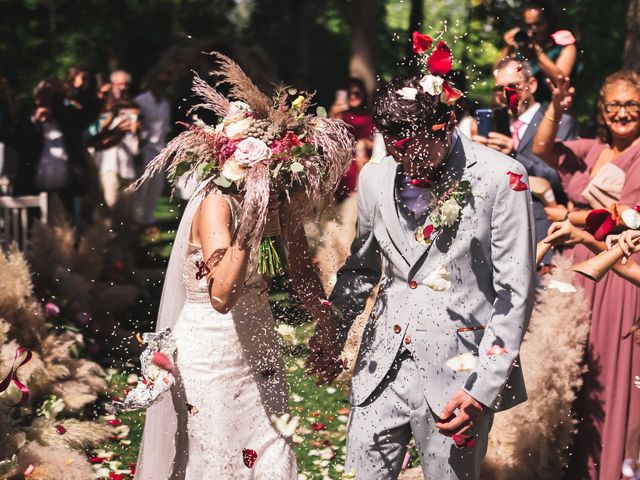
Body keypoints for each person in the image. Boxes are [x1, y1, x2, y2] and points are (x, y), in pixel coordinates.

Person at [324, 71, 535, 479]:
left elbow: (515, 292)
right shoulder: (374, 177)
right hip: (379, 366)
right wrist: (331, 329)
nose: (408, 163)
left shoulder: (501, 178)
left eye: (417, 151)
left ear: (446, 124)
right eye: (398, 151)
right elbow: (361, 268)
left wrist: (484, 388)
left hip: (459, 377)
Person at [532, 71, 640, 480]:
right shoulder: (591, 149)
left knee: (608, 372)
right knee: (571, 365)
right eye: (614, 104)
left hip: (616, 268)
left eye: (632, 104)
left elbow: (624, 219)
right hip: (575, 266)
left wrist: (566, 214)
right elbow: (541, 147)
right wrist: (557, 106)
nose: (623, 112)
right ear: (602, 109)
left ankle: (608, 469)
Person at [472, 58, 577, 263]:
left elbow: (561, 178)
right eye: (499, 89)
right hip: (497, 226)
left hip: (542, 226)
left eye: (513, 87)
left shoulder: (560, 121)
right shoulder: (494, 120)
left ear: (532, 85)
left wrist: (514, 155)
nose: (505, 95)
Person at [500, 0, 578, 103]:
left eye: (539, 24)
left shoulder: (564, 47)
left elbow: (561, 80)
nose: (534, 30)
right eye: (529, 26)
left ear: (549, 22)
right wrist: (507, 47)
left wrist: (537, 53)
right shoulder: (522, 48)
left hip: (556, 110)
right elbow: (499, 73)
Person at [134, 70, 172, 226]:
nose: (161, 87)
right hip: (144, 149)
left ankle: (148, 220)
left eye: (165, 84)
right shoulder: (140, 101)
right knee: (142, 187)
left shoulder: (166, 103)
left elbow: (166, 129)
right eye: (159, 83)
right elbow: (136, 127)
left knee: (156, 187)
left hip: (160, 150)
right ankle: (136, 219)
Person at [92, 92, 141, 207]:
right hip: (110, 168)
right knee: (111, 204)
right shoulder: (109, 121)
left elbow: (135, 150)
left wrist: (135, 133)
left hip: (127, 169)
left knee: (128, 206)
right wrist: (117, 129)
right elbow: (100, 140)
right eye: (124, 112)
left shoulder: (132, 126)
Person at [330, 78, 375, 202]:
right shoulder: (341, 115)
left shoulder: (370, 115)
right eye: (350, 94)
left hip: (365, 159)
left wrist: (366, 144)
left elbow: (380, 141)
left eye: (357, 93)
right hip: (346, 160)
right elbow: (332, 138)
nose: (353, 97)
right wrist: (333, 115)